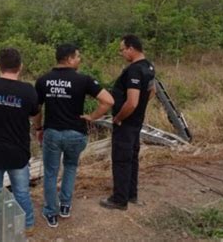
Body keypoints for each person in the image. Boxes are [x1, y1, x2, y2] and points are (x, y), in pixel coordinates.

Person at [33, 43, 114, 228]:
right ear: (69, 59)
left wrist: (38, 129)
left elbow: (36, 109)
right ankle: (65, 207)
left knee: (51, 173)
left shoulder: (43, 80)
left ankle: (50, 214)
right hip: (76, 133)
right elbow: (108, 100)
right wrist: (92, 117)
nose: (79, 59)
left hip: (52, 133)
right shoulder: (84, 80)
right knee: (70, 167)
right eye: (77, 56)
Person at [0, 48, 39, 242]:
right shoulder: (28, 91)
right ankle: (27, 226)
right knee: (21, 191)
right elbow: (35, 113)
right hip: (18, 151)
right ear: (20, 66)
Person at [100, 34, 155, 210]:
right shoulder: (149, 67)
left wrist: (118, 118)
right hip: (136, 122)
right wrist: (140, 111)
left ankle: (119, 199)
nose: (122, 53)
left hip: (126, 123)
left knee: (121, 160)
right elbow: (151, 91)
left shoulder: (134, 70)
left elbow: (132, 102)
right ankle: (131, 194)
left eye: (122, 50)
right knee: (132, 158)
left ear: (131, 48)